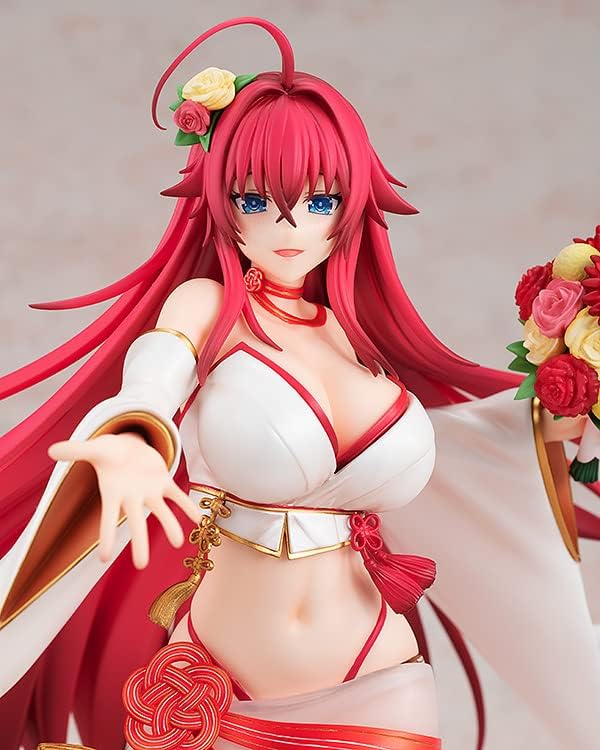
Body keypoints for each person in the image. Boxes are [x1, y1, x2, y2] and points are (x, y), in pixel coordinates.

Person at [0, 16, 599, 750]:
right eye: (256, 201)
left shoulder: (356, 340)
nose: (289, 227)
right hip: (224, 684)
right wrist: (132, 438)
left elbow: (452, 450)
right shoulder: (211, 309)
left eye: (318, 202)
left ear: (352, 206)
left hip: (382, 677)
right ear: (219, 201)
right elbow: (151, 380)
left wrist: (562, 406)